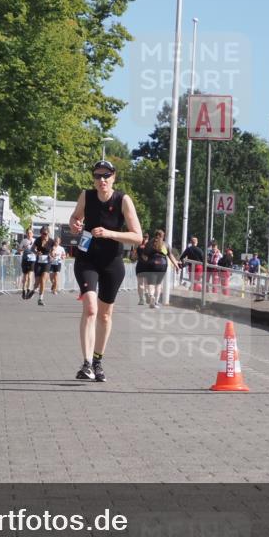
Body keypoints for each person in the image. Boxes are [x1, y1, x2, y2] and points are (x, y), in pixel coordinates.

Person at [68, 160, 143, 382]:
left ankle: (98, 360)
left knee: (105, 314)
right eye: (97, 176)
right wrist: (74, 224)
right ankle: (87, 363)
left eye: (106, 176)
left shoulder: (123, 200)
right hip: (87, 258)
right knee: (90, 308)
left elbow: (137, 236)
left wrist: (110, 233)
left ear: (114, 178)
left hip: (112, 261)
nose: (101, 180)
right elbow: (75, 218)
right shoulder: (87, 196)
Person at [142, 230, 180, 308]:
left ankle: (151, 295)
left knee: (151, 283)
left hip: (151, 263)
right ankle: (156, 301)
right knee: (158, 284)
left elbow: (144, 255)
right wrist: (176, 266)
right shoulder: (166, 245)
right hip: (162, 265)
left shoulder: (149, 244)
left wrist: (146, 262)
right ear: (163, 236)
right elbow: (171, 256)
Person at [32, 225, 54, 306]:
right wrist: (36, 252)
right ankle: (33, 290)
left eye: (45, 233)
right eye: (42, 233)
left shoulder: (51, 241)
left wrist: (52, 256)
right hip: (38, 262)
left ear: (48, 233)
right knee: (37, 282)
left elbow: (53, 251)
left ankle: (40, 298)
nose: (44, 235)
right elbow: (32, 248)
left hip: (47, 262)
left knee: (43, 280)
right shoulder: (38, 240)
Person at [131, 232, 150, 305]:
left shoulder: (138, 246)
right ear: (148, 238)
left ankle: (141, 299)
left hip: (140, 266)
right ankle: (147, 294)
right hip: (148, 266)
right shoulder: (150, 247)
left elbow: (133, 258)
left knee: (140, 283)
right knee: (147, 283)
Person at [18, 227, 36, 299]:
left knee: (29, 276)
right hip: (25, 259)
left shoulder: (35, 241)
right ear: (26, 234)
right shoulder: (24, 240)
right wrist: (24, 248)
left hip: (32, 260)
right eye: (28, 233)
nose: (29, 234)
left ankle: (28, 290)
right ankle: (23, 290)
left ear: (33, 233)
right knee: (25, 277)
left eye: (30, 233)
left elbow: (38, 249)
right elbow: (19, 249)